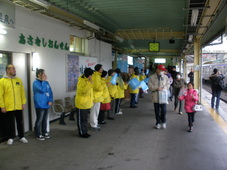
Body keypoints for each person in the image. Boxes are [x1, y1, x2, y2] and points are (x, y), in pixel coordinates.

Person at [0, 64, 28, 145]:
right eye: (13, 69)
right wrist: (2, 106)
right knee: (9, 123)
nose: (15, 70)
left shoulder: (18, 80)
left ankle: (21, 136)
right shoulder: (2, 81)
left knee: (20, 122)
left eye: (15, 69)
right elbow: (0, 95)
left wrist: (23, 103)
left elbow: (22, 93)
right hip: (8, 107)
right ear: (8, 70)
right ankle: (10, 137)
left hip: (18, 106)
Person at [33, 69, 53, 140]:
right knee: (39, 119)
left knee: (45, 119)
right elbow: (42, 90)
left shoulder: (46, 83)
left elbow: (50, 92)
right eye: (42, 74)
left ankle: (44, 132)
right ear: (39, 75)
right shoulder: (35, 83)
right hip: (40, 105)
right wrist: (44, 81)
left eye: (44, 74)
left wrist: (50, 100)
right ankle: (38, 134)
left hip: (46, 104)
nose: (44, 75)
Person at [148, 64, 170, 129]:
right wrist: (156, 88)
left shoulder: (165, 77)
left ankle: (163, 121)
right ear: (157, 70)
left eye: (163, 70)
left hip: (163, 96)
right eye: (161, 70)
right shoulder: (152, 77)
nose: (162, 71)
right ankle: (158, 123)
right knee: (157, 111)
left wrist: (164, 88)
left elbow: (168, 84)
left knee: (164, 110)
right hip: (155, 96)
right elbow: (150, 86)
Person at [75, 68, 94, 138]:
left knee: (85, 119)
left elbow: (90, 93)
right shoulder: (81, 81)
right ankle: (82, 133)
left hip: (87, 104)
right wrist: (90, 84)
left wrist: (92, 100)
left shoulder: (88, 81)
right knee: (81, 120)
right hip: (81, 104)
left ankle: (85, 131)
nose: (92, 77)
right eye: (91, 75)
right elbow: (83, 91)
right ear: (89, 75)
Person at [90, 64, 104, 131]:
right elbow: (97, 88)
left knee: (96, 111)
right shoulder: (96, 76)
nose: (102, 69)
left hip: (97, 96)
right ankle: (93, 125)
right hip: (95, 97)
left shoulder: (97, 76)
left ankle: (95, 123)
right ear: (99, 69)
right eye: (101, 68)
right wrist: (104, 85)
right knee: (94, 112)